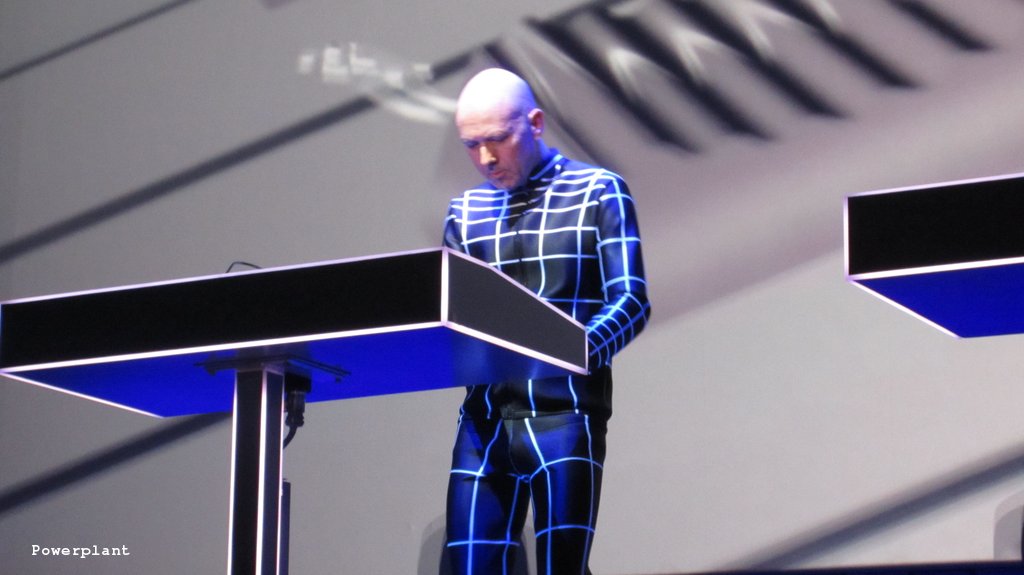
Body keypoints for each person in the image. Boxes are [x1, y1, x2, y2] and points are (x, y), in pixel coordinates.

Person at [442, 68, 651, 575]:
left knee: (563, 569)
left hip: (566, 414)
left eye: (498, 139)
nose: (486, 158)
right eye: (471, 145)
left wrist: (572, 350)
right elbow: (453, 321)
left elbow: (631, 301)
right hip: (484, 420)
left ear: (534, 123)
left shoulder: (598, 191)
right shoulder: (465, 212)